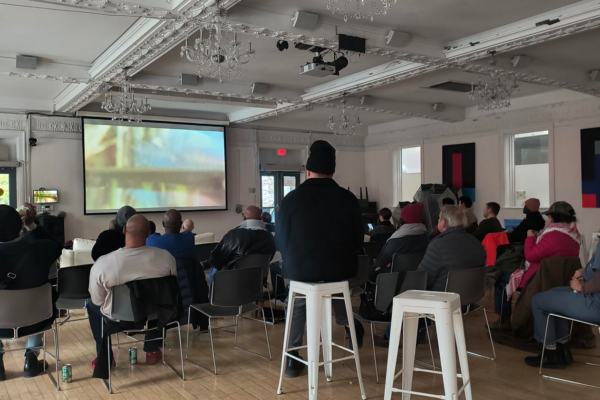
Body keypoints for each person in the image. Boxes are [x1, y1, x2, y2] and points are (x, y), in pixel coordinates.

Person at [276, 140, 365, 378]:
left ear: (307, 170)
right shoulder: (348, 199)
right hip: (340, 269)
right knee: (335, 288)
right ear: (333, 171)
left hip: (301, 270)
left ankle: (294, 357)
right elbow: (358, 240)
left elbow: (281, 243)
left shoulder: (290, 199)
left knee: (296, 305)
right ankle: (349, 323)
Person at [87, 215, 176, 367]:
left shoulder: (103, 264)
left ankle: (106, 357)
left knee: (91, 306)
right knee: (158, 300)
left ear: (124, 230)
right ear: (149, 233)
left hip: (118, 319)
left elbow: (98, 300)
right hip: (153, 316)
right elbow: (171, 291)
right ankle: (152, 350)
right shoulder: (166, 258)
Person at [0, 204, 62, 381]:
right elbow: (56, 245)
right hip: (36, 321)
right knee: (41, 301)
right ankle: (31, 359)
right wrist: (31, 224)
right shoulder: (41, 250)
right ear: (20, 225)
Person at [524, 241, 600, 369]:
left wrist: (581, 287)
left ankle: (550, 354)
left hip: (594, 304)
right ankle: (563, 351)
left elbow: (598, 283)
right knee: (553, 294)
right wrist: (584, 273)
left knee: (538, 300)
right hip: (594, 299)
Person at [507, 201, 581, 300]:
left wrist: (530, 237)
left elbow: (530, 256)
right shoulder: (575, 236)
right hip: (563, 281)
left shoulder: (553, 235)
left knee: (501, 278)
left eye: (549, 216)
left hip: (539, 280)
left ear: (553, 218)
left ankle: (506, 314)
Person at [417, 205, 486, 292]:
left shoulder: (437, 246)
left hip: (442, 300)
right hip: (470, 298)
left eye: (439, 218)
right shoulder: (478, 244)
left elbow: (421, 279)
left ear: (443, 222)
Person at [209, 206, 276, 274]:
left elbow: (216, 260)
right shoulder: (270, 237)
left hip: (233, 280)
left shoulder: (233, 235)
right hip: (259, 279)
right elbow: (270, 259)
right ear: (261, 218)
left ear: (244, 218)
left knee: (214, 270)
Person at [370, 203, 429, 280]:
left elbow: (380, 262)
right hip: (417, 279)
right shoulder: (426, 237)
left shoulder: (397, 239)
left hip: (392, 279)